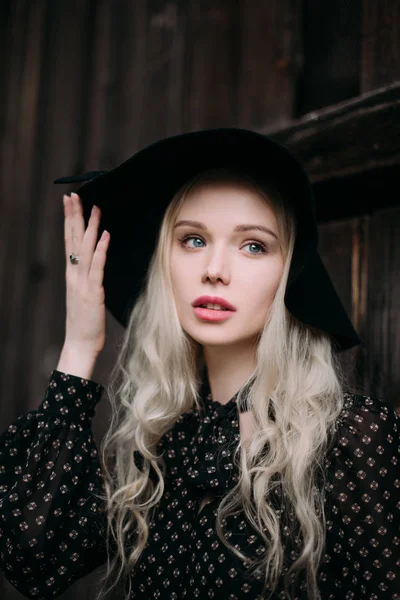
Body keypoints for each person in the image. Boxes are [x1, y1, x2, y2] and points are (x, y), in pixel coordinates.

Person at [0, 129, 398, 600]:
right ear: (164, 262)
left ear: (289, 275)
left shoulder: (352, 434)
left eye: (253, 246)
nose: (214, 268)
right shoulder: (158, 446)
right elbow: (34, 560)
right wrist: (80, 348)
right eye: (192, 240)